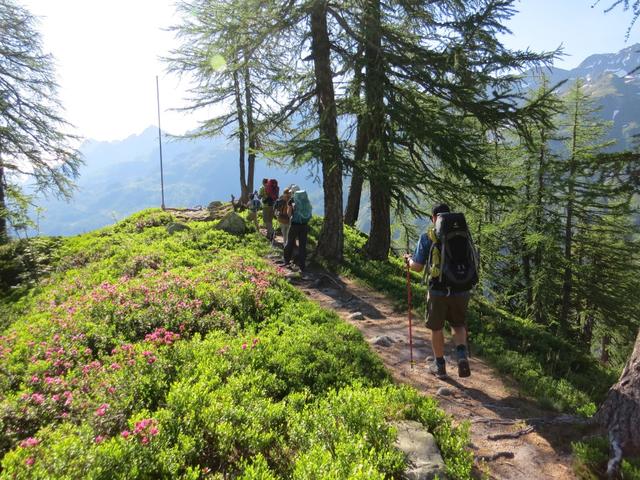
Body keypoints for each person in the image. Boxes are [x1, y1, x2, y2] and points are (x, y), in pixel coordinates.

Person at [404, 203, 471, 379]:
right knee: (458, 324)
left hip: (438, 290)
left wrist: (408, 261)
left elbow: (417, 267)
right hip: (461, 287)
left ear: (434, 218)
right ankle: (462, 357)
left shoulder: (428, 237)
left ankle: (440, 366)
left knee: (437, 328)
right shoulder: (463, 235)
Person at [283, 186, 312, 272]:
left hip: (295, 225)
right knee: (302, 245)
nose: (290, 193)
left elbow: (289, 214)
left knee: (290, 242)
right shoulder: (305, 200)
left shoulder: (292, 200)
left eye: (291, 192)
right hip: (305, 225)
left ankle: (287, 261)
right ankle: (302, 266)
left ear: (294, 192)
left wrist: (291, 216)